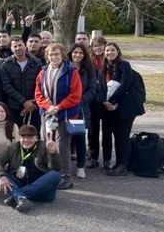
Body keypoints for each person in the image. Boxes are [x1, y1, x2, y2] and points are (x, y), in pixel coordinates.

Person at [34, 43, 83, 189]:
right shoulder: (43, 72)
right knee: (47, 143)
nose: (54, 57)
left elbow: (76, 95)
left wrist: (59, 107)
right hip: (48, 114)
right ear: (47, 57)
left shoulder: (71, 72)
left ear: (62, 55)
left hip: (65, 115)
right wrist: (48, 106)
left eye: (57, 54)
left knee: (62, 146)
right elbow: (38, 93)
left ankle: (65, 176)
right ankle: (49, 173)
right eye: (51, 55)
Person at [0, 124, 62, 213]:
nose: (26, 140)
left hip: (42, 191)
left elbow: (56, 168)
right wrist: (1, 176)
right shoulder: (13, 147)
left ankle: (18, 196)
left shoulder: (44, 146)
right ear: (19, 138)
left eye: (30, 137)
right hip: (19, 183)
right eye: (23, 137)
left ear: (36, 137)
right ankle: (21, 198)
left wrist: (53, 152)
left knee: (55, 174)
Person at [101, 42, 145, 176]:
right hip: (112, 108)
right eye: (107, 50)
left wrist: (112, 101)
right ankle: (119, 163)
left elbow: (125, 84)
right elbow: (103, 87)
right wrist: (106, 102)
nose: (109, 53)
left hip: (126, 107)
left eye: (112, 50)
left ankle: (123, 165)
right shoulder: (105, 67)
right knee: (117, 135)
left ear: (118, 51)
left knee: (123, 136)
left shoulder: (124, 65)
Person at [69, 42, 101, 178]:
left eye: (81, 53)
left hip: (80, 109)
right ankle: (62, 167)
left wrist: (80, 100)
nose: (78, 55)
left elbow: (92, 88)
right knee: (64, 140)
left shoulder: (89, 69)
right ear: (70, 53)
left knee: (80, 139)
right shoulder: (65, 67)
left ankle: (80, 166)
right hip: (65, 109)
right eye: (75, 52)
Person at [0, 37, 43, 125]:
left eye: (20, 45)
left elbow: (40, 85)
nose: (18, 48)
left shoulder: (37, 63)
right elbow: (6, 86)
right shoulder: (6, 65)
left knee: (34, 135)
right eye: (15, 46)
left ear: (25, 46)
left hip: (33, 106)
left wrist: (32, 103)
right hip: (14, 107)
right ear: (11, 49)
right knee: (15, 135)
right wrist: (23, 102)